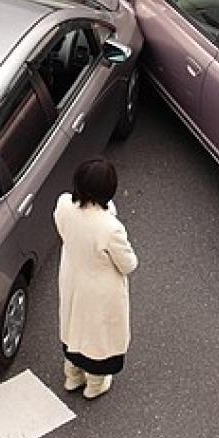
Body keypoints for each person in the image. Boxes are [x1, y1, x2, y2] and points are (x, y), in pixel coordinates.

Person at [53, 158, 138, 400]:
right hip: (100, 291)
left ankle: (72, 375)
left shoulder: (63, 206)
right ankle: (94, 384)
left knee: (73, 326)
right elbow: (129, 264)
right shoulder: (111, 228)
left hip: (72, 278)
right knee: (97, 337)